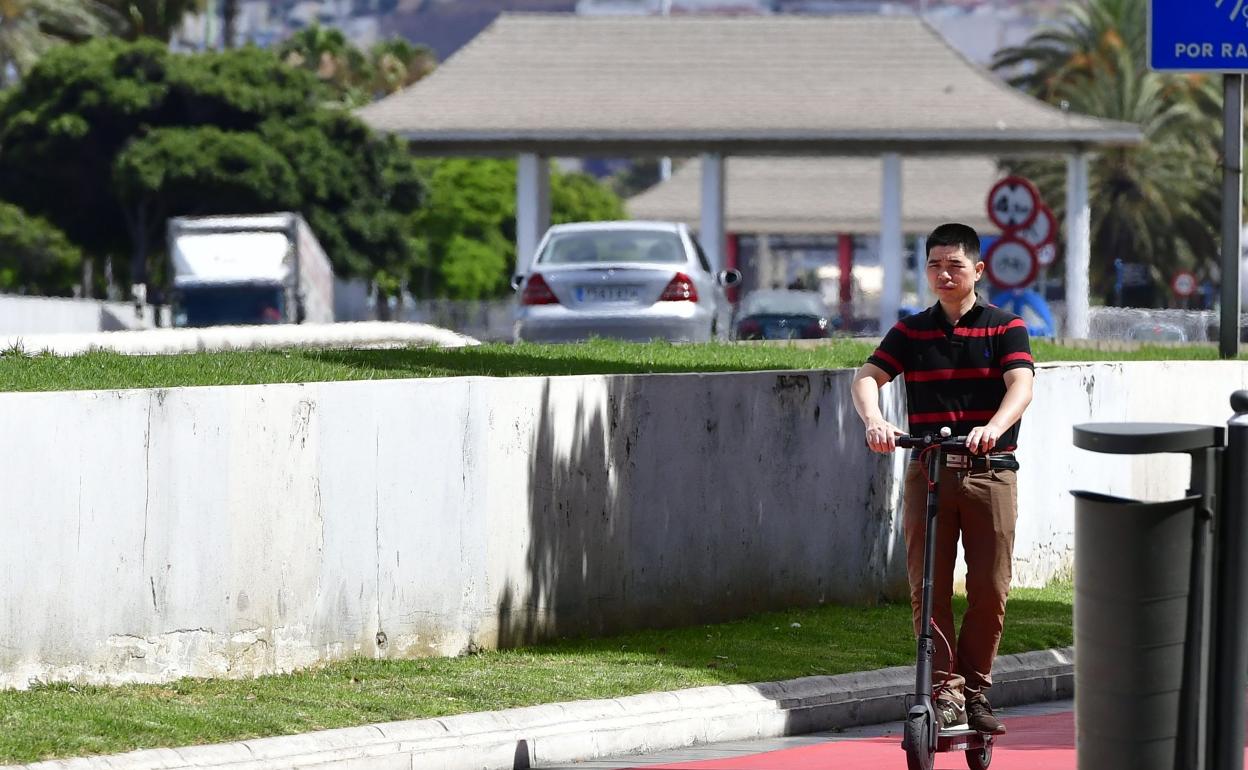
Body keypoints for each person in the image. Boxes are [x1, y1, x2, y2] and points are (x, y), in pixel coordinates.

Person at [850, 222, 1035, 735]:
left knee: (989, 589)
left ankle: (974, 691)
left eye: (955, 265)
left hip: (989, 474)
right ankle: (944, 690)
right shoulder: (910, 332)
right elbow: (867, 377)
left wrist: (993, 429)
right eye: (934, 265)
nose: (944, 274)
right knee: (926, 585)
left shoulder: (1006, 327)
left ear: (977, 270)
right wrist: (875, 421)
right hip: (927, 473)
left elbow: (1021, 383)